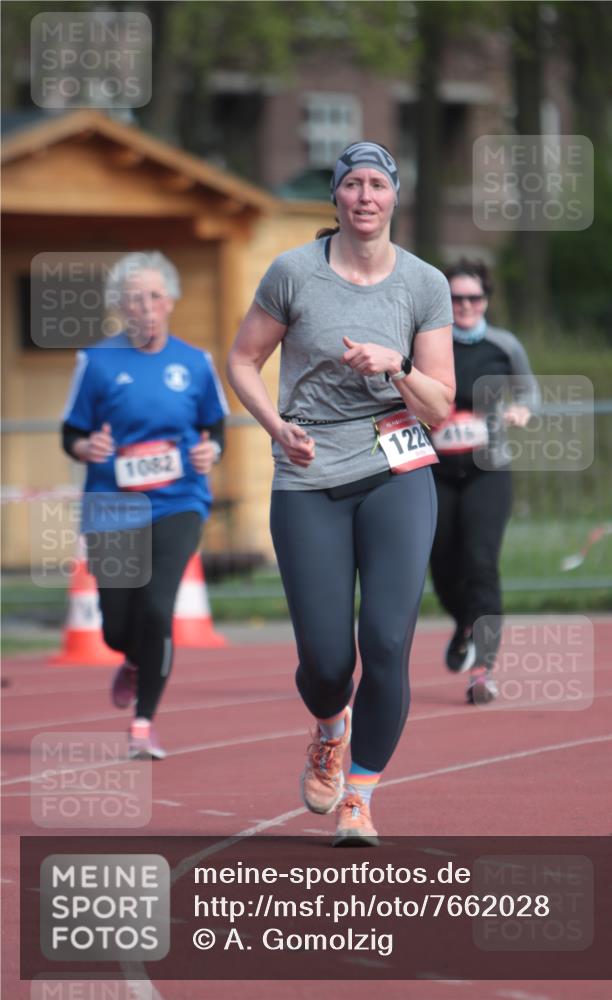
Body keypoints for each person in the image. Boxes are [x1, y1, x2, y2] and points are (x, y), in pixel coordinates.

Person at [226, 141, 454, 845]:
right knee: (327, 663)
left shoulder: (423, 284)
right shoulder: (293, 272)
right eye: (351, 184)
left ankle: (359, 796)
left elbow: (440, 407)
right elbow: (241, 360)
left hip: (396, 469)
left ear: (393, 196)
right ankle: (329, 726)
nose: (363, 196)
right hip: (309, 475)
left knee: (385, 641)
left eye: (376, 185)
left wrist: (396, 367)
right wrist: (275, 426)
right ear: (335, 197)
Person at [61, 251, 228, 758]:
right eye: (134, 298)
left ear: (170, 302)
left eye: (154, 296)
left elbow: (214, 426)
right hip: (112, 503)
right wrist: (86, 448)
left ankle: (143, 723)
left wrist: (211, 449)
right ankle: (132, 659)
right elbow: (72, 432)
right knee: (116, 625)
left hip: (179, 502)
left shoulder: (195, 362)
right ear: (121, 307)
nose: (146, 306)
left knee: (157, 608)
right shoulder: (96, 362)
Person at [429, 259, 539, 705]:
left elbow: (529, 390)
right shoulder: (428, 345)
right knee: (441, 565)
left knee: (481, 562)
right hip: (435, 471)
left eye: (474, 298)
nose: (465, 306)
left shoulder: (503, 345)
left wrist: (522, 410)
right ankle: (464, 623)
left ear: (486, 301)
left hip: (487, 470)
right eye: (456, 298)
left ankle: (483, 669)